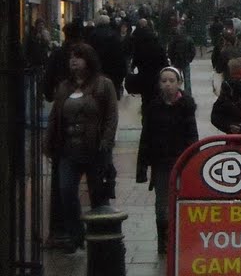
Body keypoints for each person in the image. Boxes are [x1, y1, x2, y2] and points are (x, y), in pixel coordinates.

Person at [43, 43, 119, 253]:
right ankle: (76, 234)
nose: (73, 61)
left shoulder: (103, 85)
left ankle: (100, 237)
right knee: (66, 191)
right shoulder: (64, 87)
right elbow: (55, 116)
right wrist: (48, 141)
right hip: (68, 149)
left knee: (98, 194)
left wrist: (106, 143)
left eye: (79, 57)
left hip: (94, 149)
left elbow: (111, 116)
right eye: (71, 58)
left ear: (89, 60)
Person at [137, 66, 198, 255]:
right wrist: (142, 166)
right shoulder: (153, 107)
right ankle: (163, 239)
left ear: (179, 83)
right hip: (160, 162)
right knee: (162, 203)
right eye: (164, 81)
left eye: (172, 81)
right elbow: (146, 137)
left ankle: (181, 236)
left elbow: (192, 135)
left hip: (182, 160)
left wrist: (194, 160)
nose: (168, 84)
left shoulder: (186, 106)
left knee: (182, 200)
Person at [86, 14, 126, 98]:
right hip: (112, 67)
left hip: (97, 67)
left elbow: (89, 51)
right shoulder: (114, 35)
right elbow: (120, 54)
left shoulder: (93, 35)